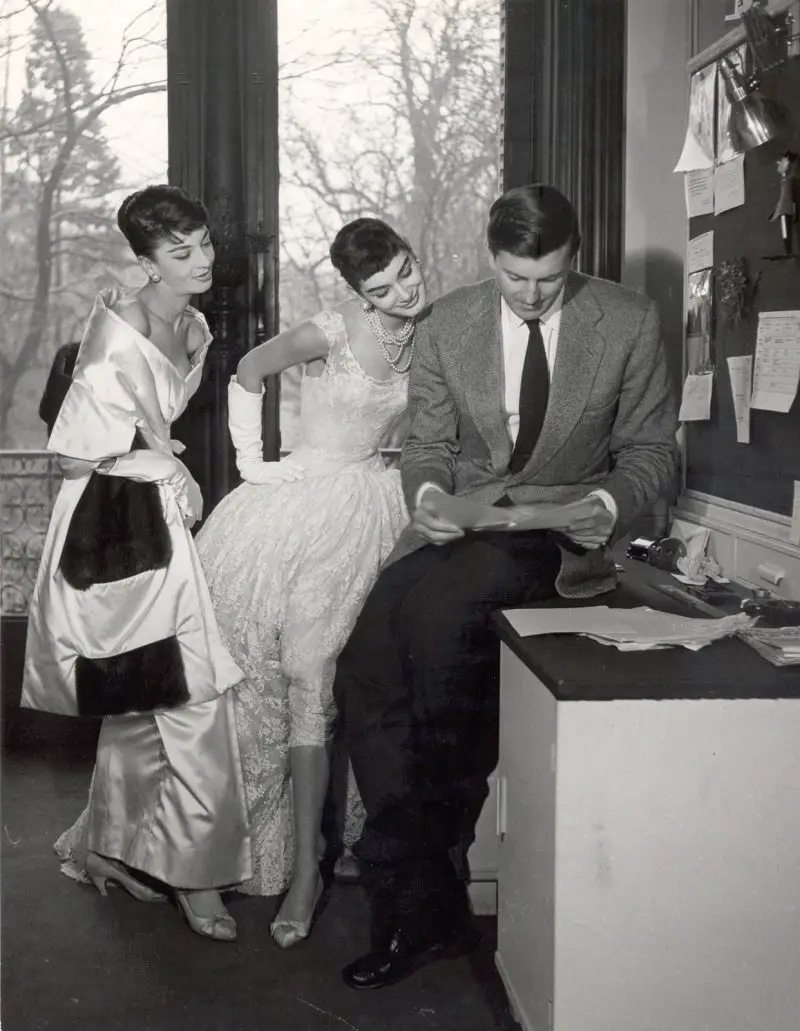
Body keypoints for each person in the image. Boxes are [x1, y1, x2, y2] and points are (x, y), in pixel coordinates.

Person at [333, 183, 679, 989]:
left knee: (437, 624)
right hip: (457, 528)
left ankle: (411, 906)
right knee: (365, 661)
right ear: (493, 258)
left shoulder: (626, 319)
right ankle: (428, 895)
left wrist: (606, 503)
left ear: (574, 260)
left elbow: (653, 452)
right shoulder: (449, 321)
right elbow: (426, 444)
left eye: (547, 281)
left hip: (555, 539)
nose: (528, 295)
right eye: (514, 278)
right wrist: (427, 497)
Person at [22, 185, 252, 942]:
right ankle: (198, 874)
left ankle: (108, 847)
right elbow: (72, 452)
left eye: (205, 244)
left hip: (156, 516)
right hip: (110, 522)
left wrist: (165, 467)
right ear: (145, 261)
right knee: (192, 696)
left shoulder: (193, 320)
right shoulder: (118, 325)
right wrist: (156, 463)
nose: (202, 262)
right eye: (179, 252)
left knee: (153, 691)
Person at [194, 218, 425, 947]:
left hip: (379, 506)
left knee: (341, 674)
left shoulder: (440, 333)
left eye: (406, 273)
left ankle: (321, 859)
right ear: (355, 291)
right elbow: (247, 369)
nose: (400, 294)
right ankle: (293, 864)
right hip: (300, 500)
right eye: (380, 288)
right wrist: (253, 462)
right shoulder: (330, 329)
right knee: (283, 671)